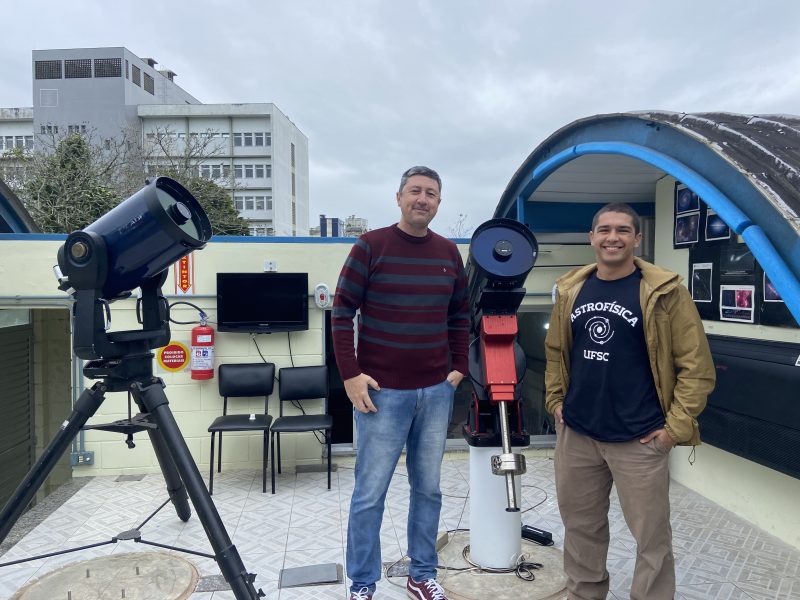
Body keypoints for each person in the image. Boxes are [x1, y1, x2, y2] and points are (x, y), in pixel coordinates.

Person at [544, 203, 715, 600]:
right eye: (604, 230)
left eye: (623, 230)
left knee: (651, 540)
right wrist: (556, 401)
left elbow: (697, 366)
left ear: (637, 239)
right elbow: (556, 351)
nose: (612, 237)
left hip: (640, 438)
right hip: (578, 434)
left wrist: (673, 430)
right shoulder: (571, 289)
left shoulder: (665, 292)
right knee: (581, 530)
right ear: (592, 238)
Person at [332, 166, 469, 600]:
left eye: (431, 193)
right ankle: (363, 583)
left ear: (439, 202)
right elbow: (341, 313)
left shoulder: (449, 254)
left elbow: (460, 316)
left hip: (435, 393)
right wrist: (351, 376)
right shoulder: (371, 246)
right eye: (415, 191)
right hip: (381, 394)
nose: (422, 199)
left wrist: (459, 369)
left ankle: (421, 573)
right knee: (370, 494)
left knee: (428, 491)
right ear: (399, 198)